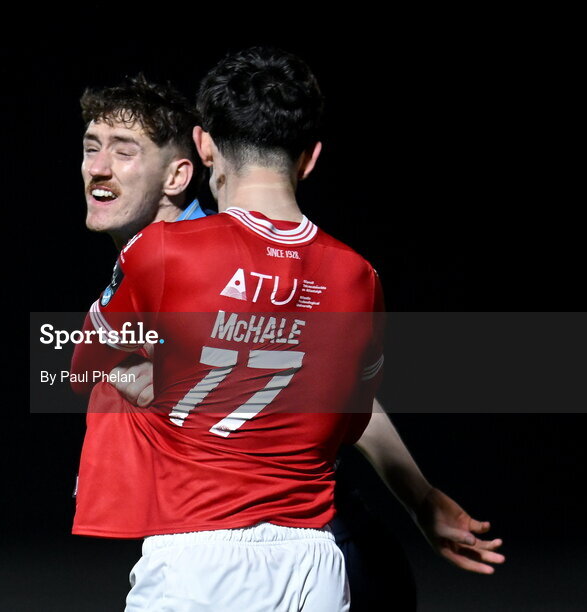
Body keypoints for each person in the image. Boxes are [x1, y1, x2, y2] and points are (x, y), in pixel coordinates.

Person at [70, 50, 503, 611]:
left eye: (123, 152)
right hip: (313, 558)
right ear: (310, 158)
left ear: (196, 156)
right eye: (89, 147)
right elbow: (343, 400)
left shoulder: (167, 253)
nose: (97, 167)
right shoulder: (355, 274)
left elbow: (77, 368)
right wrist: (417, 495)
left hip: (213, 550)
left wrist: (149, 374)